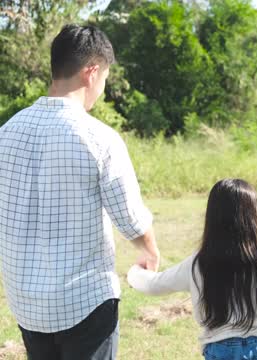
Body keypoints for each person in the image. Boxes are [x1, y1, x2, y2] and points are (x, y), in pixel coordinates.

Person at [0, 24, 159, 359]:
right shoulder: (99, 138)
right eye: (104, 80)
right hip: (84, 303)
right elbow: (130, 219)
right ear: (92, 72)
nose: (101, 89)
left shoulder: (6, 133)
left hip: (27, 305)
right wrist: (149, 252)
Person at [127, 179, 257, 360]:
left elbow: (154, 285)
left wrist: (134, 272)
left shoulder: (198, 263)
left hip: (220, 349)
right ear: (254, 216)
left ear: (211, 217)